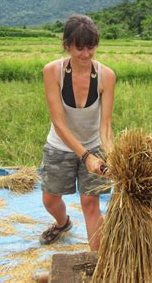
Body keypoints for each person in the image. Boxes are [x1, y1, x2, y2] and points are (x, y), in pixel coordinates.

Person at [39, 14, 116, 251]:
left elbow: (105, 124)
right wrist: (86, 157)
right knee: (50, 199)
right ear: (67, 46)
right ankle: (62, 223)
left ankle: (98, 263)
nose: (85, 55)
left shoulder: (107, 76)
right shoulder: (53, 72)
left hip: (93, 145)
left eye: (91, 48)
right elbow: (59, 123)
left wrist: (111, 155)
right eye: (79, 48)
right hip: (60, 145)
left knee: (90, 203)